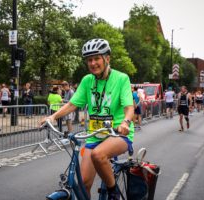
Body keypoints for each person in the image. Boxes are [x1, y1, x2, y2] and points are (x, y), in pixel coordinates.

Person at [40, 38, 134, 199]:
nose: (93, 63)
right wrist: (53, 116)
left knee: (98, 155)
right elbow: (72, 104)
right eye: (89, 60)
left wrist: (126, 122)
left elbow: (129, 106)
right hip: (95, 135)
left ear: (107, 58)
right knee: (83, 184)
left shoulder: (121, 78)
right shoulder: (87, 80)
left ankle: (114, 192)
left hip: (118, 134)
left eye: (97, 58)